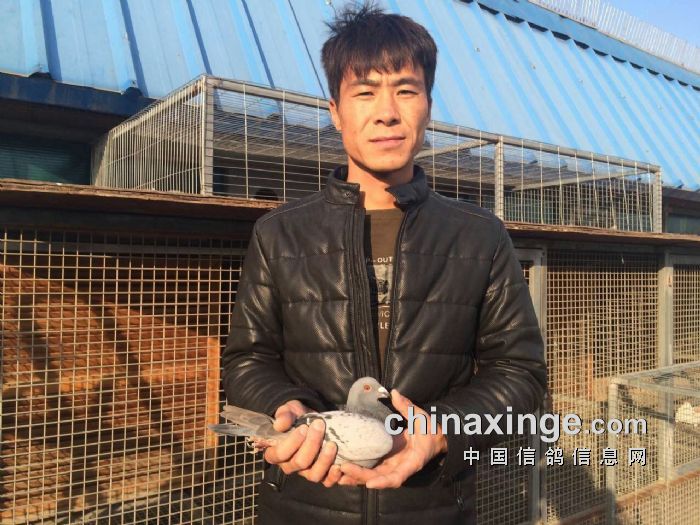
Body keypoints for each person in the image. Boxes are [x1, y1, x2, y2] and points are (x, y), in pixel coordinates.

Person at [221, 4, 547, 524]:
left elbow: (520, 373)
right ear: (335, 110)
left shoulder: (479, 236)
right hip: (304, 504)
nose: (387, 112)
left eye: (406, 90)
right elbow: (247, 360)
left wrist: (440, 432)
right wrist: (285, 406)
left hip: (431, 507)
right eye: (365, 92)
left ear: (428, 106)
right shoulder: (279, 233)